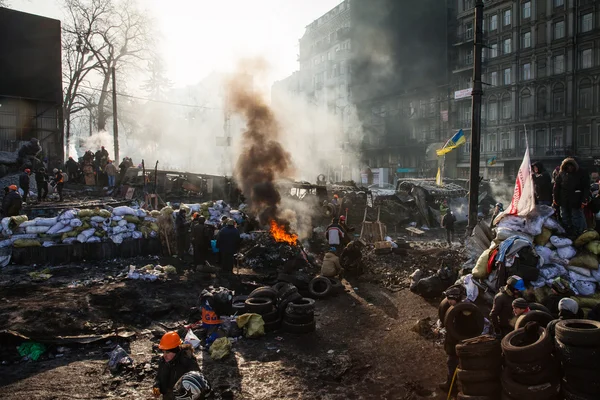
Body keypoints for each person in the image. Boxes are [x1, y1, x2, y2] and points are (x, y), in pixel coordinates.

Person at [153, 331, 200, 399]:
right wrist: (156, 386)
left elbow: (197, 385)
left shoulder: (188, 362)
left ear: (176, 351)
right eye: (163, 352)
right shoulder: (163, 361)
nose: (164, 355)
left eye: (168, 352)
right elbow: (158, 377)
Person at [553, 157, 590, 237]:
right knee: (565, 216)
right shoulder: (561, 174)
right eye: (568, 166)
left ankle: (578, 232)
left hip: (576, 200)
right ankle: (568, 231)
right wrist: (555, 199)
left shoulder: (582, 173)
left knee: (576, 217)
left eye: (571, 166)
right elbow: (556, 187)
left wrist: (584, 199)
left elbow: (586, 187)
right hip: (564, 200)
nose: (570, 168)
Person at [438, 285, 464, 394]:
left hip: (456, 343)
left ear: (456, 299)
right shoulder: (458, 308)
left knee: (452, 363)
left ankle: (451, 386)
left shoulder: (460, 311)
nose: (448, 301)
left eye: (450, 299)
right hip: (455, 341)